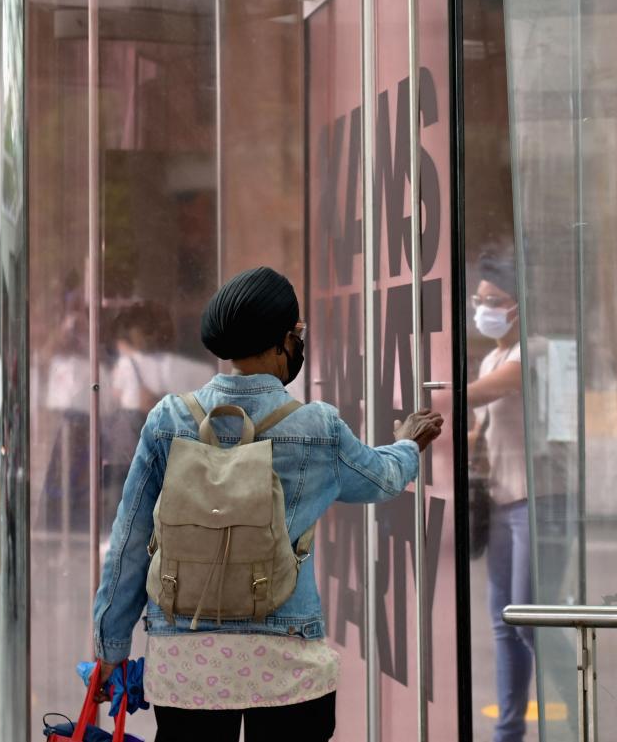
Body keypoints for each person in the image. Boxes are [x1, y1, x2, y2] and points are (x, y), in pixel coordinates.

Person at [90, 266, 444, 742]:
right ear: (281, 342)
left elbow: (131, 539)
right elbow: (379, 480)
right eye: (297, 334)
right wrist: (407, 442)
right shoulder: (316, 426)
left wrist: (111, 648)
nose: (298, 343)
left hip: (187, 666)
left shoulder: (168, 419)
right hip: (284, 659)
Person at [467, 252, 570, 742]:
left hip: (541, 501)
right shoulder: (491, 355)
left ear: (518, 306)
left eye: (494, 301)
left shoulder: (536, 350)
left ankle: (580, 710)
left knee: (532, 622)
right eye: (479, 300)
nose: (483, 309)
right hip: (503, 502)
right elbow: (483, 429)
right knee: (505, 625)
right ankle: (508, 734)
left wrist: (439, 396)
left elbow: (486, 393)